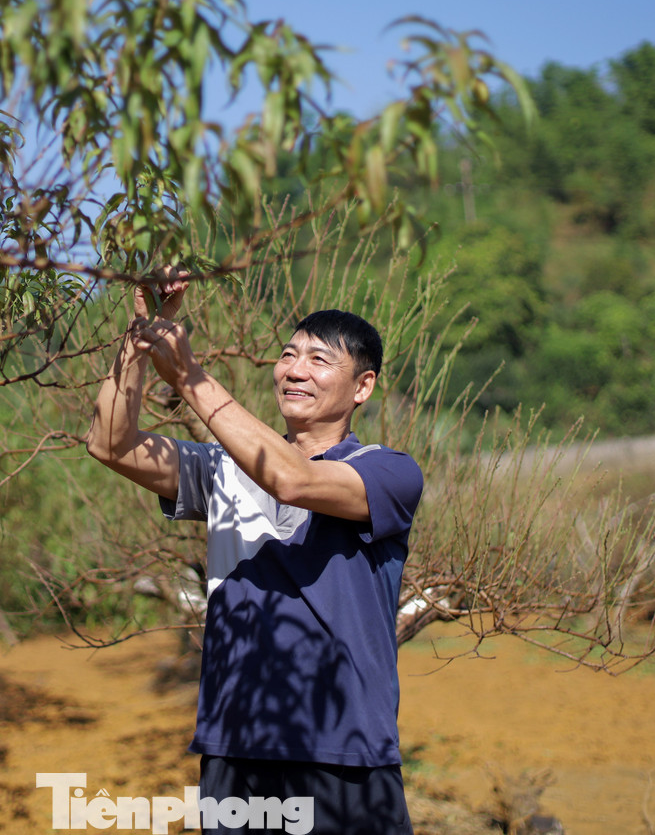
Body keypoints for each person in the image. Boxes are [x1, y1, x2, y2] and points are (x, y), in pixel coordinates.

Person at [87, 271, 423, 835]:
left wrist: (190, 375)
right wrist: (141, 335)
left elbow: (292, 480)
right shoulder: (224, 469)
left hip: (341, 749)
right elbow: (110, 443)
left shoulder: (388, 472)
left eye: (319, 360)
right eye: (289, 355)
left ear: (362, 387)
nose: (294, 370)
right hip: (234, 747)